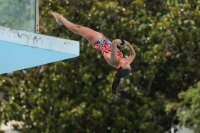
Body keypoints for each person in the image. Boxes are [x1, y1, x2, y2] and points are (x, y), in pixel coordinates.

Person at [52, 12, 136, 98]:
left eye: (126, 64)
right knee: (78, 28)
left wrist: (123, 42)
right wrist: (129, 44)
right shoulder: (122, 62)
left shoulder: (113, 61)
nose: (127, 61)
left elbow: (114, 42)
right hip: (103, 38)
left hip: (97, 41)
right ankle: (60, 20)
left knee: (77, 28)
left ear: (118, 67)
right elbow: (133, 55)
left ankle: (59, 18)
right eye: (128, 64)